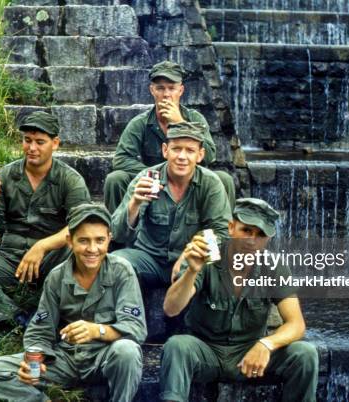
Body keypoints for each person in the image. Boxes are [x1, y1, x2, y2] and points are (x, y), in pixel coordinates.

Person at [0, 203, 147, 402]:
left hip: (105, 357)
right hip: (67, 359)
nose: (92, 249)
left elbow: (135, 329)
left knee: (127, 351)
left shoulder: (122, 271)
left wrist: (96, 330)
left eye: (99, 240)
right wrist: (35, 360)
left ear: (109, 239)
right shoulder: (57, 276)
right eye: (83, 240)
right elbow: (40, 329)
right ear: (70, 241)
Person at [160, 198, 319, 402]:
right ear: (231, 227)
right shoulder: (207, 254)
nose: (252, 241)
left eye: (260, 235)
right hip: (206, 350)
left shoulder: (273, 266)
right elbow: (170, 308)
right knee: (176, 346)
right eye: (246, 230)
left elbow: (296, 324)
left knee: (305, 354)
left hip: (250, 354)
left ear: (268, 239)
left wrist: (266, 344)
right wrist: (192, 270)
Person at [0, 111, 90, 329]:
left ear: (55, 143)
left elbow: (81, 225)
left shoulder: (69, 179)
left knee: (81, 251)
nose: (32, 148)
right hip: (11, 257)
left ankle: (59, 313)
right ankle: (14, 317)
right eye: (27, 141)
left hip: (52, 258)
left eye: (40, 142)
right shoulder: (6, 175)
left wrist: (42, 246)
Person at [111, 121, 231, 290]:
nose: (182, 156)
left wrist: (187, 257)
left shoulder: (210, 184)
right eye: (176, 149)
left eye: (190, 150)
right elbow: (117, 234)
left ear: (200, 155)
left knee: (218, 270)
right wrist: (134, 204)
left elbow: (221, 233)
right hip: (149, 259)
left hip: (192, 260)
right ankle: (130, 316)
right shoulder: (147, 178)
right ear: (165, 150)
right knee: (117, 264)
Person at [104, 60, 236, 213]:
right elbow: (120, 160)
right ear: (152, 90)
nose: (166, 94)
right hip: (153, 183)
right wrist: (157, 175)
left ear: (180, 90)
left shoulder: (195, 118)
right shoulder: (140, 123)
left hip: (189, 181)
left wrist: (179, 122)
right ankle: (119, 231)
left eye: (171, 88)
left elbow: (209, 156)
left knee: (224, 179)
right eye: (160, 88)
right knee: (115, 179)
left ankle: (221, 232)